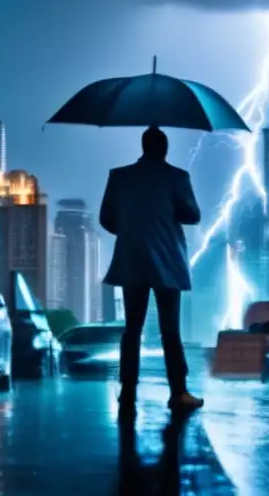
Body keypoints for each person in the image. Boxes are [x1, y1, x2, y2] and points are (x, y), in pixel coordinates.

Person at [100, 126, 205, 414]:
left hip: (131, 258)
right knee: (170, 330)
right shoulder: (177, 177)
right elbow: (193, 215)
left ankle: (128, 392)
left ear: (143, 146)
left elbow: (106, 219)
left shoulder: (119, 176)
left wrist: (132, 228)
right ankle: (179, 392)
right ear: (165, 149)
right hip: (168, 263)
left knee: (131, 330)